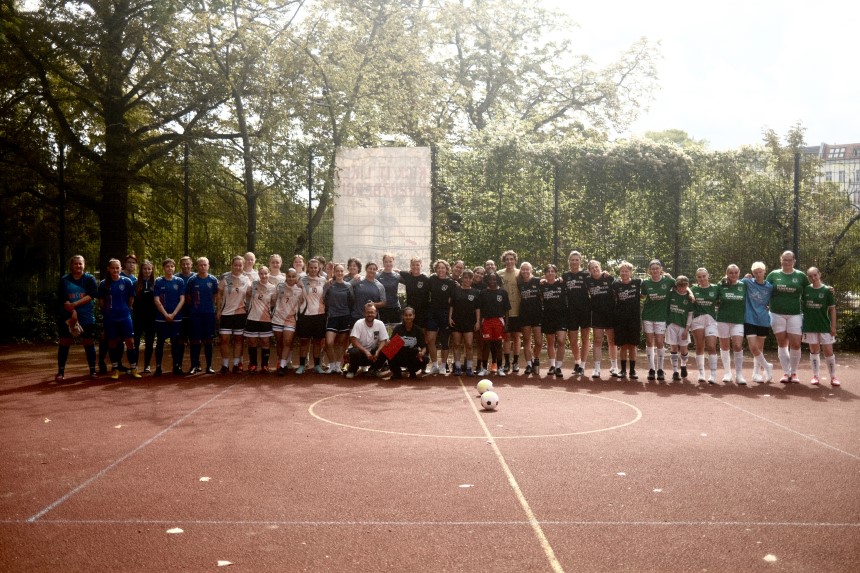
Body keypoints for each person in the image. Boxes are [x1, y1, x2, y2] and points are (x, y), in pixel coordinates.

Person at [767, 251, 810, 383]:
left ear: (794, 261)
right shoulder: (773, 275)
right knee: (782, 343)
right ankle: (786, 372)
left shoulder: (801, 276)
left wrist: (827, 289)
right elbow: (762, 287)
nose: (787, 262)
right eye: (784, 260)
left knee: (796, 344)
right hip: (776, 313)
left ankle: (794, 372)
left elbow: (812, 290)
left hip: (795, 314)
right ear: (781, 260)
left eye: (789, 260)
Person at [56, 255, 98, 381]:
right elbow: (62, 299)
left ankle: (92, 371)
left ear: (84, 265)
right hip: (68, 316)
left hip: (86, 316)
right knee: (64, 342)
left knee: (88, 342)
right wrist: (72, 312)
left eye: (80, 264)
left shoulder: (89, 279)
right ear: (71, 265)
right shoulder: (64, 280)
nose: (78, 266)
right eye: (75, 264)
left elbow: (91, 295)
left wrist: (75, 305)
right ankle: (60, 372)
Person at [98, 258, 141, 379]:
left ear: (121, 268)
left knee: (130, 342)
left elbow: (131, 299)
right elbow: (101, 302)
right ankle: (115, 369)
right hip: (110, 318)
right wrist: (107, 313)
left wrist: (127, 309)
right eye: (112, 268)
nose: (115, 270)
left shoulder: (127, 282)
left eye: (117, 268)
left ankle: (133, 368)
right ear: (108, 269)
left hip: (124, 316)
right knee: (112, 343)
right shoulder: (103, 284)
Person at [802, 267, 839, 386]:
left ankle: (833, 377)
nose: (813, 278)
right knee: (814, 351)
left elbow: (832, 310)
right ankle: (815, 376)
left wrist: (833, 327)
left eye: (815, 275)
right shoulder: (805, 290)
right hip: (810, 326)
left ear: (819, 274)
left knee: (828, 351)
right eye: (810, 276)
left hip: (824, 326)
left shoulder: (827, 290)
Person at [641, 259, 674, 382]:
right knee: (650, 341)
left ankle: (660, 369)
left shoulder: (669, 281)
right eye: (652, 268)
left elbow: (682, 285)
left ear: (661, 269)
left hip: (661, 316)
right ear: (649, 271)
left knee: (660, 341)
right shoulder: (645, 283)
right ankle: (651, 369)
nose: (655, 270)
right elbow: (642, 295)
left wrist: (691, 294)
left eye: (657, 268)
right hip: (648, 316)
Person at [217, 255, 251, 373]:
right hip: (226, 314)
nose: (237, 267)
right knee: (224, 339)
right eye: (235, 265)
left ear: (243, 266)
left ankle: (237, 364)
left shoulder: (247, 280)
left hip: (240, 314)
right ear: (232, 265)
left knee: (238, 339)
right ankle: (225, 365)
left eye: (240, 265)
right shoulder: (225, 279)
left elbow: (252, 294)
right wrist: (218, 311)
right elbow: (219, 295)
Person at [741, 262, 774, 383]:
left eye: (760, 272)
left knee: (759, 348)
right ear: (753, 273)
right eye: (756, 272)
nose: (758, 274)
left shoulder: (770, 287)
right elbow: (732, 282)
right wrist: (744, 277)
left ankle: (756, 374)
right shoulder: (747, 282)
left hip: (763, 319)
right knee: (753, 347)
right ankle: (767, 366)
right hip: (749, 319)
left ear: (764, 271)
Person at [185, 257, 219, 374]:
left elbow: (215, 296)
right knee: (195, 340)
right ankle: (194, 365)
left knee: (208, 340)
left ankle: (209, 366)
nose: (203, 267)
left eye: (205, 265)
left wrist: (212, 308)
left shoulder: (213, 280)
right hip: (195, 314)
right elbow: (188, 298)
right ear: (197, 266)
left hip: (209, 314)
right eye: (200, 265)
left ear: (208, 266)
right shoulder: (192, 280)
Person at [153, 258, 185, 376]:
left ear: (174, 268)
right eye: (167, 266)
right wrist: (166, 314)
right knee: (160, 342)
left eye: (172, 266)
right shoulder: (159, 281)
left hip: (176, 317)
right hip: (161, 317)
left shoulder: (179, 281)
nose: (170, 268)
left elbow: (182, 299)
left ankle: (176, 366)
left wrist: (173, 314)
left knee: (175, 343)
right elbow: (156, 300)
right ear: (163, 268)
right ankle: (158, 367)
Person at [295, 257, 328, 374]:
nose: (313, 269)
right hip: (305, 314)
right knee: (304, 341)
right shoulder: (301, 280)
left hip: (319, 315)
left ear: (319, 268)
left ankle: (317, 365)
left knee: (318, 341)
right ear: (307, 268)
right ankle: (302, 365)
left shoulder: (323, 280)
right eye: (311, 267)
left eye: (316, 267)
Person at [584, 260, 615, 378]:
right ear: (589, 270)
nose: (594, 269)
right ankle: (596, 369)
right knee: (597, 341)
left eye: (596, 267)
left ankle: (614, 367)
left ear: (600, 267)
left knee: (612, 341)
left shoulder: (609, 278)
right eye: (592, 268)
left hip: (610, 314)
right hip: (597, 314)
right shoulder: (587, 281)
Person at [717, 264, 747, 384]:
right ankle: (727, 373)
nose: (733, 275)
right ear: (727, 273)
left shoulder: (743, 285)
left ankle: (739, 374)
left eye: (736, 273)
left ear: (739, 273)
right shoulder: (721, 285)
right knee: (724, 346)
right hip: (723, 320)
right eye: (731, 273)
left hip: (738, 320)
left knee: (738, 345)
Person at [562, 251, 591, 376]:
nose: (574, 262)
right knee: (573, 340)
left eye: (576, 260)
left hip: (585, 311)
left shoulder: (586, 274)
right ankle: (577, 361)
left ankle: (582, 366)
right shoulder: (565, 276)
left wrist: (604, 274)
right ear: (569, 261)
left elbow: (596, 281)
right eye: (572, 260)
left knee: (585, 338)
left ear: (580, 261)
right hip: (571, 312)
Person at [611, 261, 641, 379]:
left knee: (633, 345)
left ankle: (632, 371)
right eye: (622, 271)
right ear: (620, 272)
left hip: (634, 318)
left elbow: (650, 283)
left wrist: (666, 276)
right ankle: (623, 370)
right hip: (620, 318)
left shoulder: (637, 282)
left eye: (626, 271)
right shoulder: (615, 284)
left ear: (630, 272)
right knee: (623, 345)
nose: (624, 273)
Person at [425, 259, 455, 375]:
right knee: (430, 339)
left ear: (446, 269)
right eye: (438, 268)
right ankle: (434, 365)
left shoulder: (451, 283)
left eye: (443, 268)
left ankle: (443, 365)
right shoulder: (432, 279)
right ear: (435, 269)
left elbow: (452, 302)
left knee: (444, 341)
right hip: (432, 312)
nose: (440, 270)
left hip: (445, 313)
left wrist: (450, 316)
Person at [324, 264, 355, 375]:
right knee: (329, 342)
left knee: (341, 343)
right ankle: (331, 364)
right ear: (334, 272)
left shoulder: (348, 286)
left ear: (344, 272)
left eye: (341, 271)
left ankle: (337, 365)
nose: (340, 273)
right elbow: (324, 298)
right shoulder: (329, 285)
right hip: (332, 316)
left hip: (345, 316)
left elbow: (351, 301)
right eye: (337, 271)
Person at [244, 266, 276, 373]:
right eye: (261, 274)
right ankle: (253, 364)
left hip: (265, 318)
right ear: (258, 274)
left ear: (268, 274)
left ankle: (265, 365)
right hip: (252, 317)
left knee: (265, 342)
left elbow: (274, 302)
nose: (263, 276)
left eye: (265, 273)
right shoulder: (253, 285)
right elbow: (247, 294)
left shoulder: (272, 287)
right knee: (252, 342)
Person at [477, 272, 510, 377]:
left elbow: (506, 310)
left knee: (498, 345)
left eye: (494, 279)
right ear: (487, 280)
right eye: (490, 279)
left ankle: (500, 368)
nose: (492, 281)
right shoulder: (483, 293)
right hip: (486, 321)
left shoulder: (503, 293)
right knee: (486, 345)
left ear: (498, 280)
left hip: (499, 321)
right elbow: (480, 310)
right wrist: (480, 322)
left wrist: (506, 324)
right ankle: (484, 368)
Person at [690, 268, 719, 383]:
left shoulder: (715, 288)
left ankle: (713, 374)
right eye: (699, 277)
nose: (702, 279)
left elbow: (727, 286)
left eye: (703, 276)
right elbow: (684, 287)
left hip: (711, 319)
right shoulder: (693, 289)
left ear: (708, 276)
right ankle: (701, 373)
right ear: (696, 278)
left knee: (711, 346)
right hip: (697, 320)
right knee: (699, 346)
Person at [272, 268, 303, 376]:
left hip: (290, 319)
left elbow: (302, 303)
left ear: (296, 278)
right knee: (279, 342)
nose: (291, 278)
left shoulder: (300, 290)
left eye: (293, 276)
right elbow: (273, 300)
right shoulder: (279, 286)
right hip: (277, 318)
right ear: (286, 277)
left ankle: (282, 365)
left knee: (287, 342)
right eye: (289, 276)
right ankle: (282, 362)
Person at [346, 303, 389, 379]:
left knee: (386, 349)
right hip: (360, 354)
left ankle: (373, 370)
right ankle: (352, 370)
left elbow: (384, 340)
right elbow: (353, 340)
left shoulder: (380, 324)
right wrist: (366, 351)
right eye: (368, 312)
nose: (370, 314)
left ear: (376, 313)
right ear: (364, 313)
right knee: (354, 352)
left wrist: (378, 351)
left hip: (373, 356)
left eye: (372, 312)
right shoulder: (358, 323)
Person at [449, 269, 480, 376]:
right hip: (457, 321)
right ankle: (457, 367)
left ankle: (469, 368)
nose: (467, 280)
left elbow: (477, 308)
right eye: (465, 278)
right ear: (462, 279)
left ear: (472, 279)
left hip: (469, 322)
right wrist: (450, 318)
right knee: (457, 344)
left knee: (469, 345)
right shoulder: (456, 291)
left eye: (469, 278)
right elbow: (451, 306)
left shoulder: (475, 292)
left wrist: (477, 321)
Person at [539, 264, 566, 378]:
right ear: (545, 274)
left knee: (560, 341)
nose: (550, 273)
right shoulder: (542, 285)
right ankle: (552, 366)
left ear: (556, 273)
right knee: (550, 342)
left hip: (561, 317)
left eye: (552, 271)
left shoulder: (561, 283)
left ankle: (559, 367)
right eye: (548, 271)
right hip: (548, 317)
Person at [665, 276, 694, 381]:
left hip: (683, 326)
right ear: (676, 286)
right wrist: (667, 324)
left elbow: (690, 315)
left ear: (687, 286)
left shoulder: (689, 297)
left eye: (684, 286)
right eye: (679, 286)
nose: (681, 288)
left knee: (683, 349)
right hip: (672, 325)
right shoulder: (671, 294)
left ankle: (683, 365)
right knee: (673, 348)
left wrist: (687, 329)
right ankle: (675, 371)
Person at [497, 250, 521, 373]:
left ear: (515, 260)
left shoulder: (520, 273)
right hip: (504, 312)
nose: (509, 261)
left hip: (517, 310)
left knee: (516, 337)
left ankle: (515, 362)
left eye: (512, 259)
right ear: (504, 261)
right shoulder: (499, 274)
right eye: (507, 259)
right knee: (506, 337)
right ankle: (506, 363)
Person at [517, 262, 543, 375]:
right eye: (523, 269)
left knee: (538, 341)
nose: (525, 271)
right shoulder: (519, 283)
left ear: (531, 270)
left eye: (527, 269)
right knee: (527, 340)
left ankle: (535, 357)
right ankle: (528, 364)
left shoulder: (538, 281)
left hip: (537, 314)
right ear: (520, 271)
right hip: (524, 314)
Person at [389, 307, 429, 379]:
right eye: (406, 315)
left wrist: (422, 353)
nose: (408, 317)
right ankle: (396, 372)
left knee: (425, 358)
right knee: (388, 350)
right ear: (403, 316)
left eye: (410, 315)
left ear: (414, 316)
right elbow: (391, 345)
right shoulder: (398, 328)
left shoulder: (418, 330)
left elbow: (424, 347)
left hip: (412, 355)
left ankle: (412, 371)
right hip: (400, 355)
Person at [133, 259, 157, 373]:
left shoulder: (156, 283)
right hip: (138, 317)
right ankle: (135, 365)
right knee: (136, 342)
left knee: (149, 341)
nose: (147, 271)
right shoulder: (135, 283)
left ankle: (147, 364)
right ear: (141, 270)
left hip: (151, 317)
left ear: (152, 270)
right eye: (144, 269)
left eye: (149, 269)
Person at [398, 257, 430, 329]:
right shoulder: (407, 276)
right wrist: (382, 270)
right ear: (410, 266)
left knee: (421, 333)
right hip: (410, 311)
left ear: (421, 266)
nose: (415, 267)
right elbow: (397, 271)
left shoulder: (426, 279)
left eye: (417, 265)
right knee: (409, 331)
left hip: (423, 311)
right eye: (413, 265)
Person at [377, 254, 402, 328]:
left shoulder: (397, 276)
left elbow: (409, 279)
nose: (388, 263)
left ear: (393, 262)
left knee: (396, 334)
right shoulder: (378, 275)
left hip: (394, 307)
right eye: (386, 261)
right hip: (382, 308)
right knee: (383, 333)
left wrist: (399, 271)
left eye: (390, 261)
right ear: (383, 263)